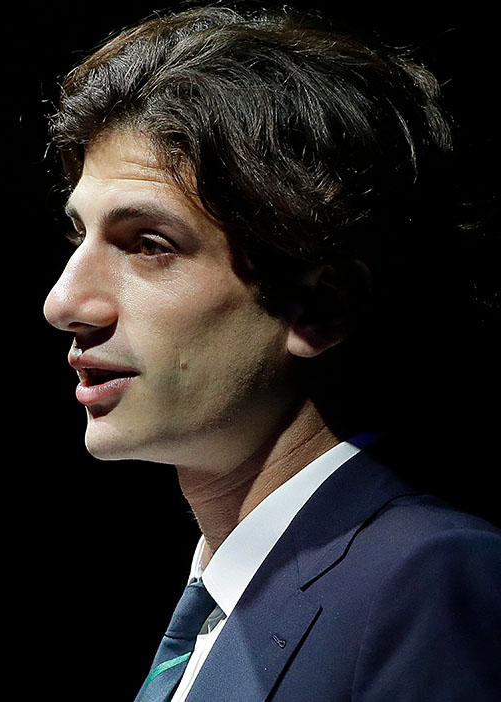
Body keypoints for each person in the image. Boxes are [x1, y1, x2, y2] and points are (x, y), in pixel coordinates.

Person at [42, 5, 501, 700]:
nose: (65, 303)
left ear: (323, 306)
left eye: (148, 245)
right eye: (80, 236)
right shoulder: (221, 600)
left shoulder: (428, 575)